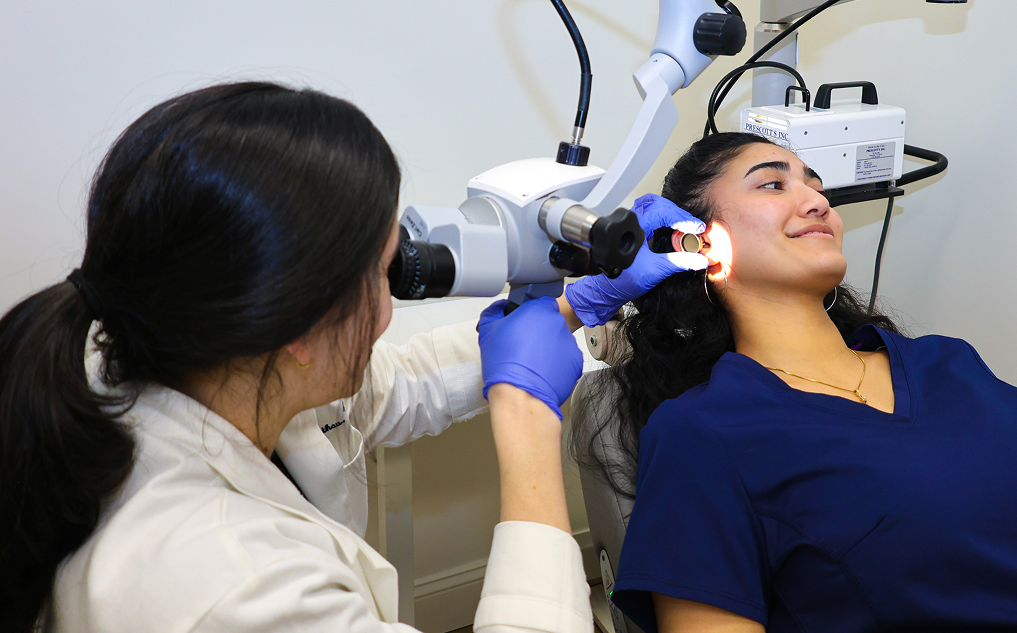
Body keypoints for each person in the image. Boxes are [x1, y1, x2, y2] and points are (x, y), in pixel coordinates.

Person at [0, 81, 707, 633]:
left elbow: (389, 391)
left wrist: (575, 306)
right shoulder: (231, 588)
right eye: (382, 272)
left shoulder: (158, 347)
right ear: (297, 327)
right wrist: (525, 425)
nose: (393, 302)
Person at [571, 132, 1017, 633]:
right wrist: (573, 305)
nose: (817, 201)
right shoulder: (705, 432)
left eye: (815, 184)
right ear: (695, 242)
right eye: (772, 185)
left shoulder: (946, 359)